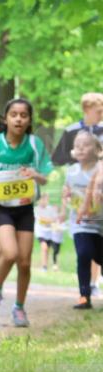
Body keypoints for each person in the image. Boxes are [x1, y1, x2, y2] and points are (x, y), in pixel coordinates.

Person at [0, 99, 52, 328]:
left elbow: (45, 176)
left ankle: (19, 307)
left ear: (29, 121)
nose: (18, 119)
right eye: (14, 115)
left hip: (25, 208)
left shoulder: (35, 145)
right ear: (6, 118)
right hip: (1, 208)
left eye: (23, 115)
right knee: (9, 253)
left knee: (25, 263)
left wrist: (35, 174)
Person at [52, 92, 103, 295]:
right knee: (85, 235)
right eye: (98, 111)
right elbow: (58, 158)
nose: (101, 114)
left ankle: (94, 282)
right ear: (87, 109)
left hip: (99, 187)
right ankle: (88, 286)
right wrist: (75, 155)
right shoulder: (72, 130)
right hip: (78, 188)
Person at [68, 130, 103, 308]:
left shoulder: (100, 170)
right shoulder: (71, 171)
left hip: (100, 224)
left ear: (97, 150)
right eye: (77, 145)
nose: (81, 148)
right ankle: (84, 296)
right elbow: (67, 191)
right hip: (80, 224)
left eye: (86, 144)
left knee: (98, 256)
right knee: (83, 254)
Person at [34, 193, 59, 272]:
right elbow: (41, 220)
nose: (44, 201)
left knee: (48, 249)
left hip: (49, 233)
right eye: (42, 199)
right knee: (44, 247)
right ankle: (44, 266)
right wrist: (51, 220)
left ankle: (47, 265)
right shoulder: (36, 209)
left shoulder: (50, 209)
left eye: (46, 200)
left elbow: (56, 218)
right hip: (41, 232)